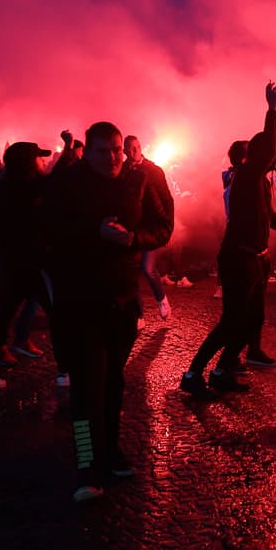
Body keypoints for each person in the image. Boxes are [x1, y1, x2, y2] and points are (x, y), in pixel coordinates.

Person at [42, 121, 173, 502]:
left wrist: (134, 238)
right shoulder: (67, 182)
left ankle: (111, 449)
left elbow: (163, 225)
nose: (113, 157)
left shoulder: (138, 180)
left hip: (121, 299)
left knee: (114, 380)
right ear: (89, 151)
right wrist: (92, 233)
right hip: (79, 300)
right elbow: (49, 230)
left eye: (117, 149)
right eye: (103, 151)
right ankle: (86, 462)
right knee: (86, 386)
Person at [181, 83, 276, 395]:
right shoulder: (246, 176)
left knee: (251, 321)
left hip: (256, 259)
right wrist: (272, 111)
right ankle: (193, 374)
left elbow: (270, 218)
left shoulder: (262, 183)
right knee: (232, 322)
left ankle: (222, 369)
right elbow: (268, 149)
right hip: (238, 258)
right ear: (262, 155)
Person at [0, 141, 52, 390]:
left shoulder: (8, 186)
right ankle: (70, 371)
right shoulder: (25, 187)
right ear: (28, 162)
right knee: (56, 313)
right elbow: (56, 182)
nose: (43, 162)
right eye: (39, 158)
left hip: (16, 260)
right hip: (28, 261)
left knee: (5, 315)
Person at [123, 136, 176, 319]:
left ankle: (162, 299)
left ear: (140, 147)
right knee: (133, 271)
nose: (134, 152)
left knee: (147, 268)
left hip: (153, 227)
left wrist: (169, 228)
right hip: (134, 228)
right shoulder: (124, 171)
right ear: (125, 151)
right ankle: (138, 316)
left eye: (136, 148)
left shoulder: (153, 170)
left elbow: (168, 199)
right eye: (130, 149)